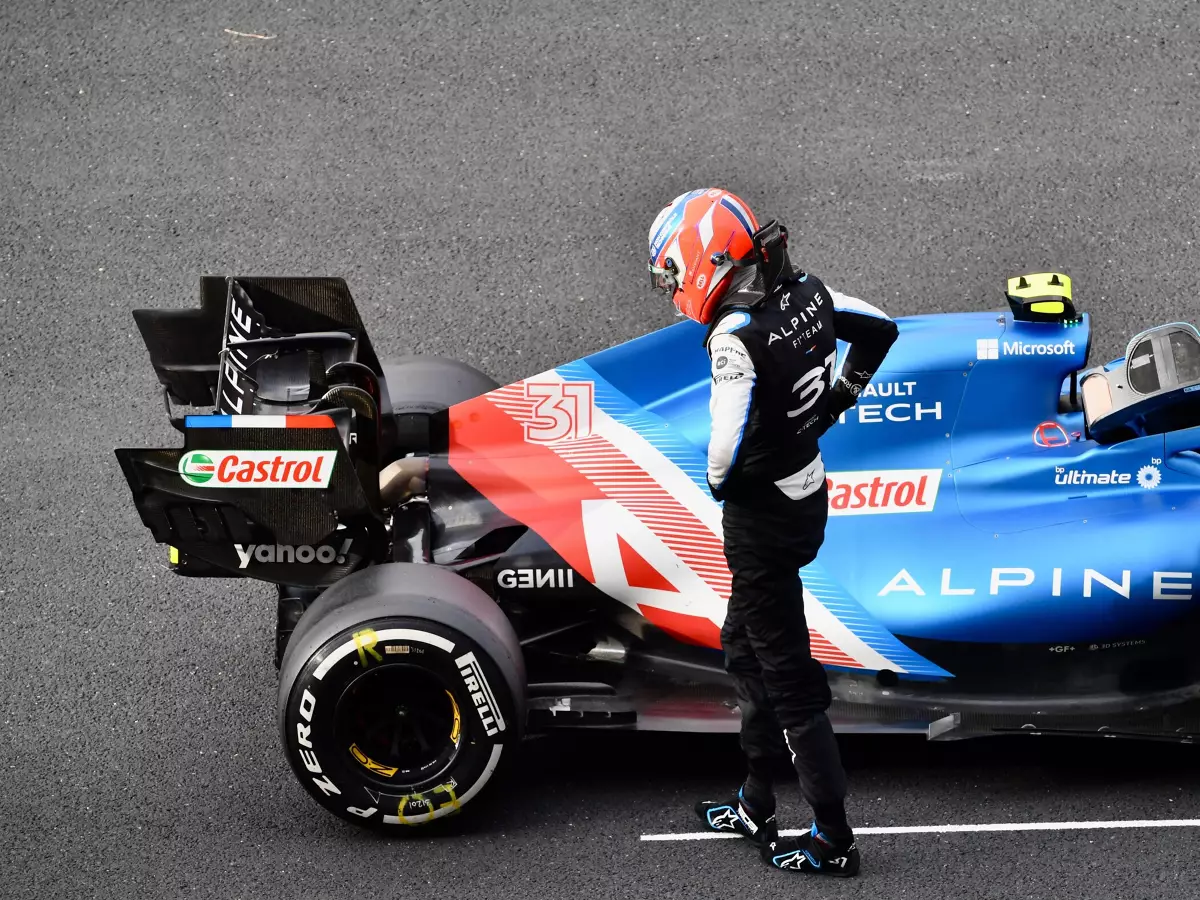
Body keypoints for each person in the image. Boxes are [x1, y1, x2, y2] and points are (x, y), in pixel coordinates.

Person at [646, 188, 899, 877]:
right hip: (807, 491)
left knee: (786, 679)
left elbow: (723, 460)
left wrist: (728, 487)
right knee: (746, 653)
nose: (672, 288)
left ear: (704, 262)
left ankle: (833, 839)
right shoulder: (811, 292)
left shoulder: (733, 339)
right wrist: (839, 399)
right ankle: (756, 802)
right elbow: (880, 328)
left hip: (763, 523)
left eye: (673, 273)